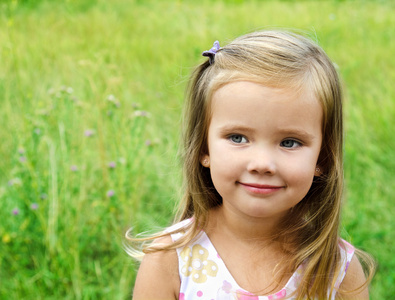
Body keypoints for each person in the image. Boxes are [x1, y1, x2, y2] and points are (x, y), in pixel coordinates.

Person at [128, 30, 375, 299]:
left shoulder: (337, 269)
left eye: (289, 142)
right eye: (238, 137)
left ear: (322, 158)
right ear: (203, 147)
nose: (262, 164)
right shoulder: (170, 260)